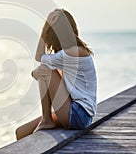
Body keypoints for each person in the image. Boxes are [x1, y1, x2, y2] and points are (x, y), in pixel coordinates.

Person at [15, 9, 97, 140]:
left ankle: (46, 119)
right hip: (76, 113)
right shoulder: (71, 53)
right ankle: (46, 120)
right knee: (21, 132)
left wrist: (45, 27)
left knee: (45, 69)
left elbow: (39, 57)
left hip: (79, 114)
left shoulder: (73, 52)